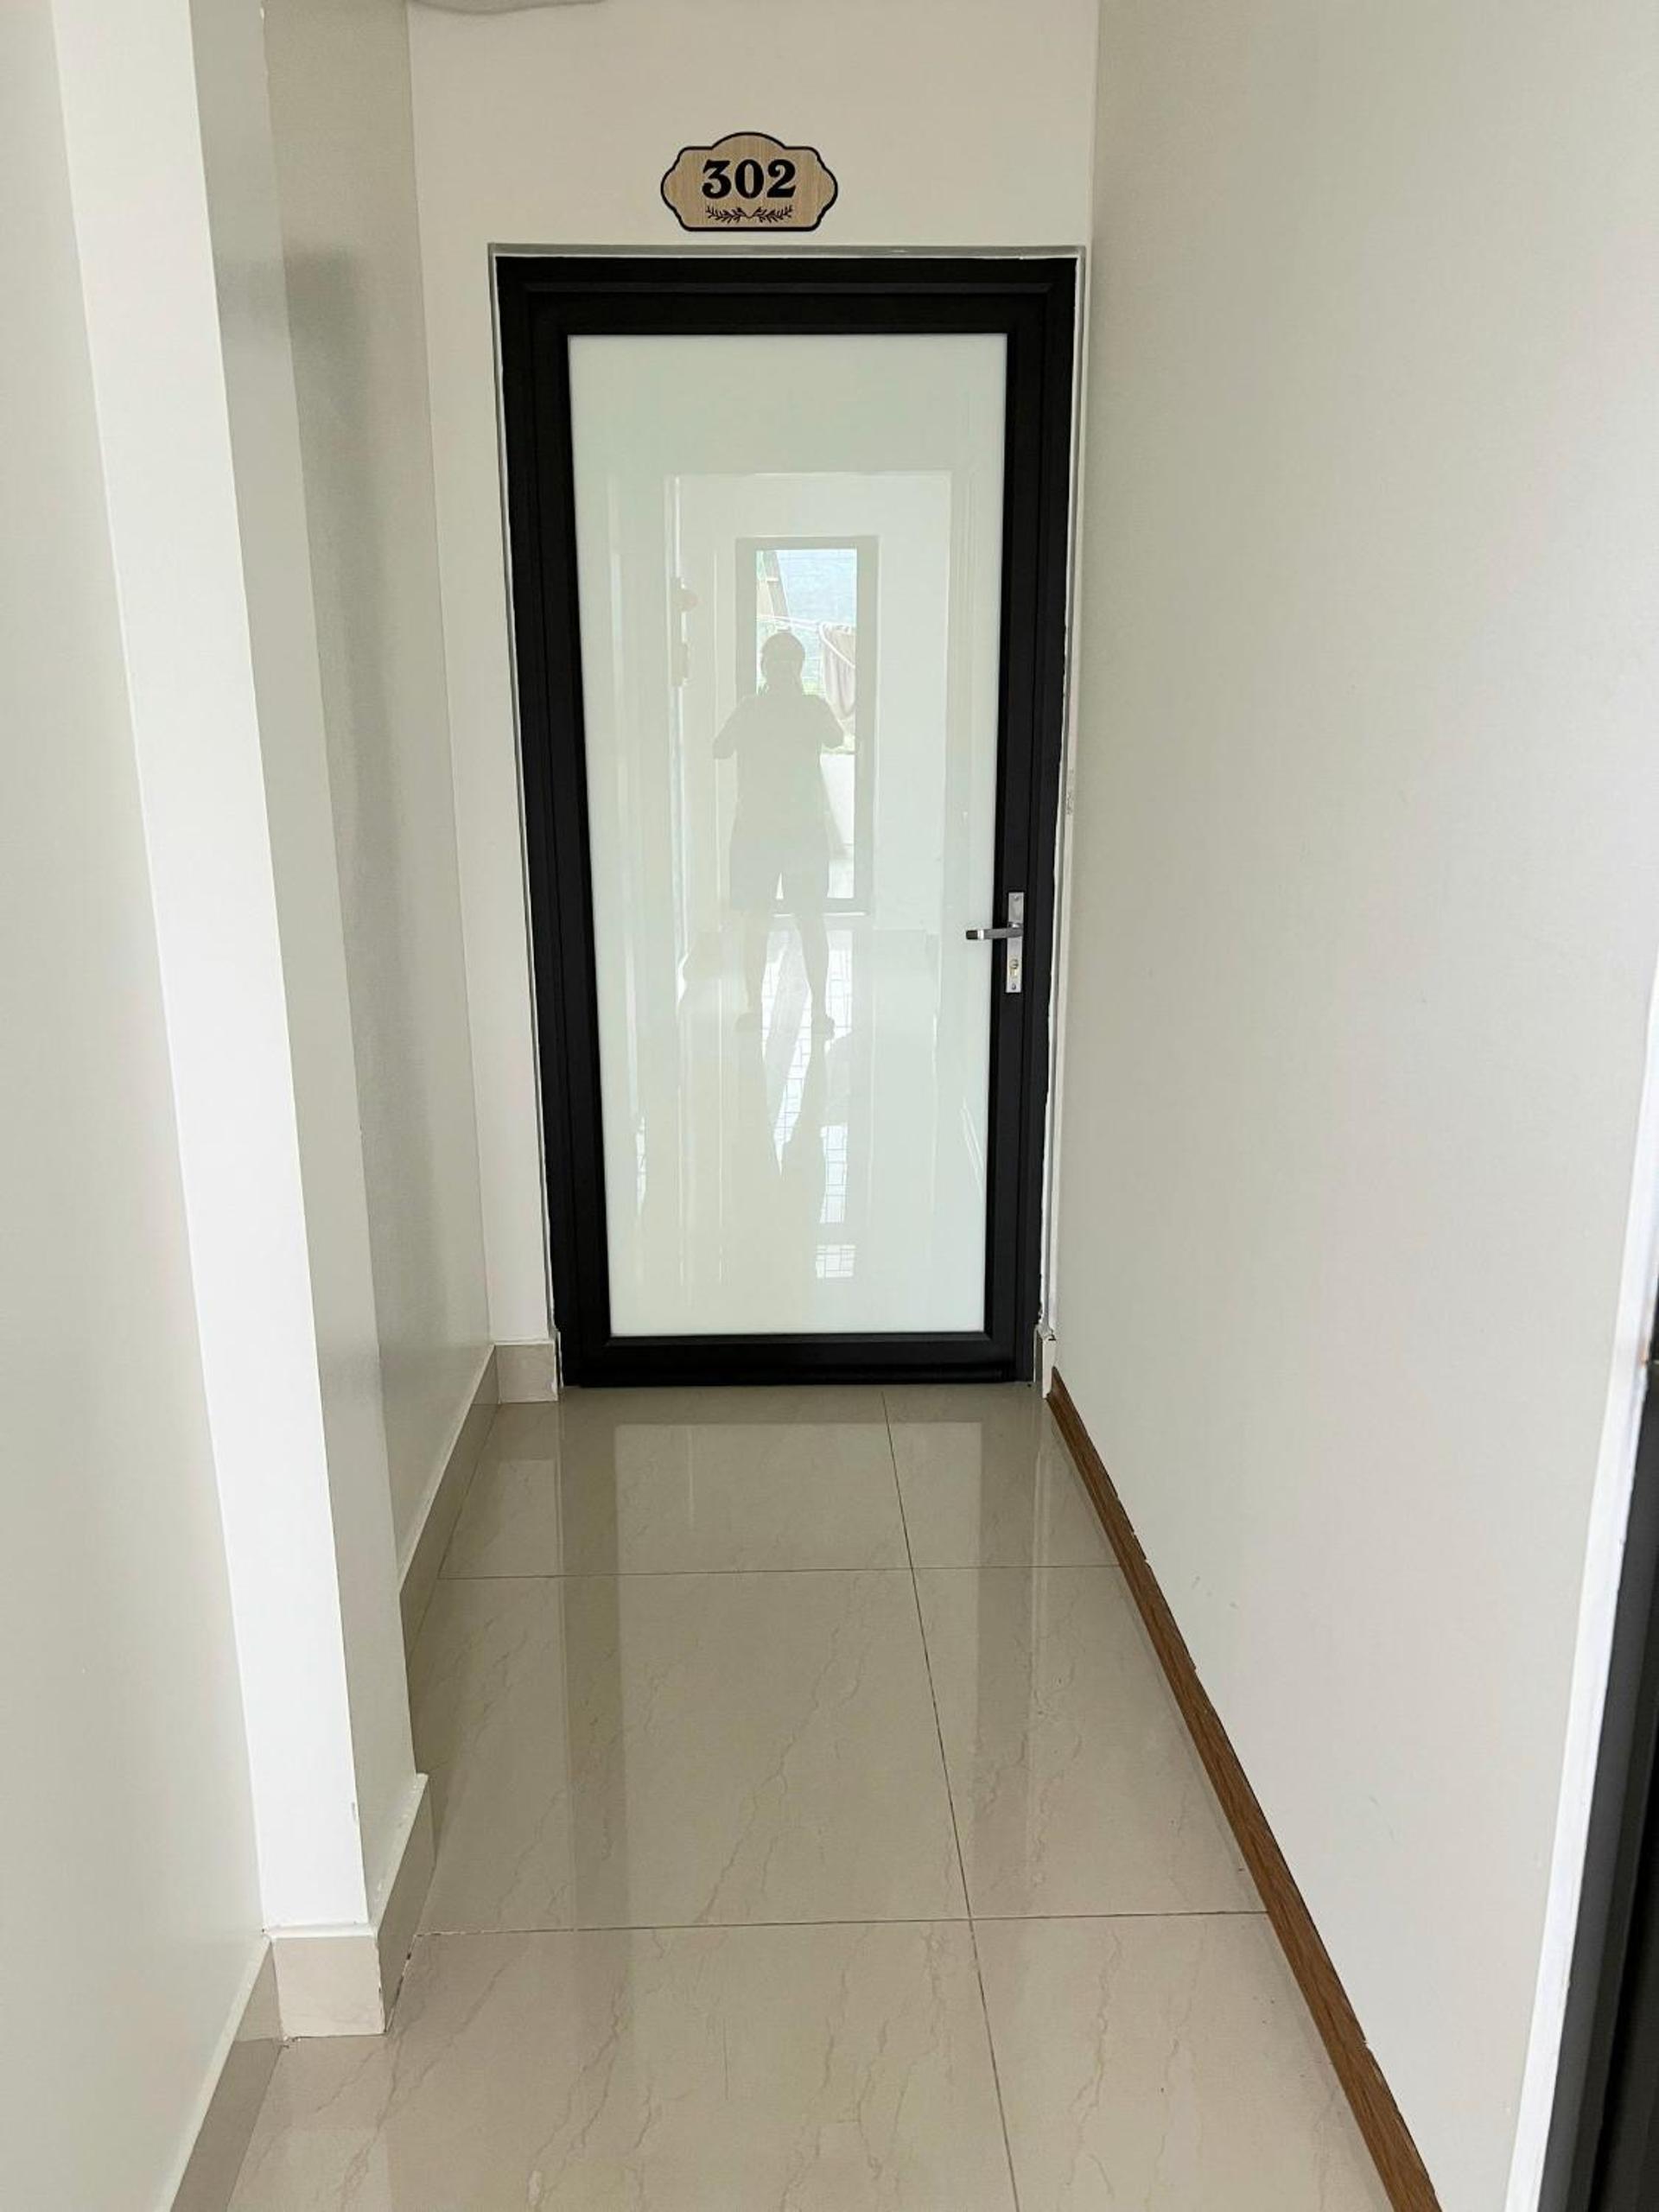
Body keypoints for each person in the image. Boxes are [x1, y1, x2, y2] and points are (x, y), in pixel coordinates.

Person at [714, 629, 845, 1033]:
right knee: (796, 921)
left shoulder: (759, 708)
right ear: (768, 667)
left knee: (776, 921)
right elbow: (835, 737)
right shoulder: (800, 708)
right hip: (780, 832)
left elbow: (720, 748)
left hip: (774, 831)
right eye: (779, 662)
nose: (784, 669)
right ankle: (802, 1009)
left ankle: (776, 1008)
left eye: (788, 662)